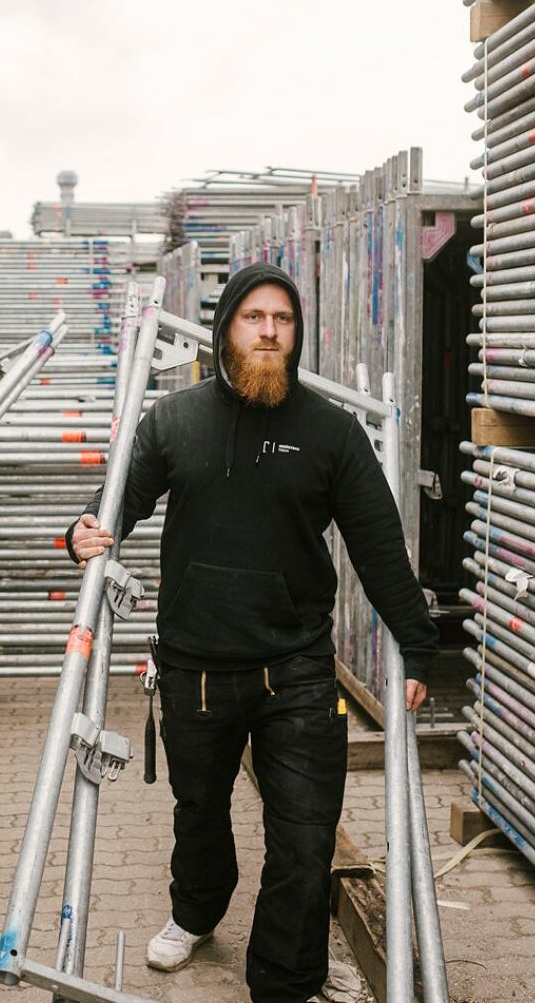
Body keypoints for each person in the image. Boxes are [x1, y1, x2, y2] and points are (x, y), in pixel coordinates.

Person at [66, 264, 438, 1003]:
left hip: (296, 667)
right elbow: (115, 505)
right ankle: (195, 913)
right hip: (195, 665)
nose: (269, 331)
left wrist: (419, 646)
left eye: (283, 319)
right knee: (199, 814)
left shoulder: (330, 433)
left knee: (304, 835)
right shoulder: (175, 421)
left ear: (297, 332)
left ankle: (285, 980)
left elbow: (378, 548)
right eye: (254, 317)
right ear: (226, 327)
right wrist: (79, 530)